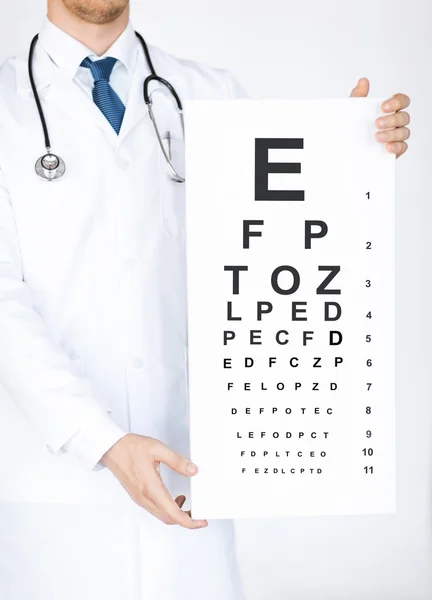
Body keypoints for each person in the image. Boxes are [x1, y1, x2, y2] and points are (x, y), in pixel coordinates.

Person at [0, 1, 411, 599]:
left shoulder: (211, 97)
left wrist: (347, 155)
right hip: (56, 497)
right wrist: (102, 440)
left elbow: (282, 243)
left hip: (195, 482)